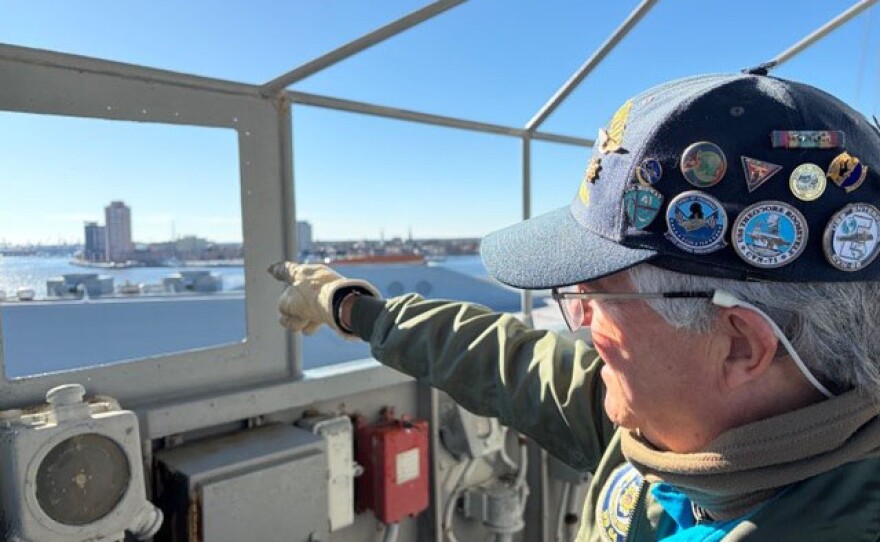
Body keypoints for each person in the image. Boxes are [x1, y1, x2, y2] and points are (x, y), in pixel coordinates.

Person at [271, 71, 880, 541]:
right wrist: (351, 307)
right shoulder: (674, 424)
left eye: (595, 294)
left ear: (740, 344)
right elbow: (505, 362)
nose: (582, 322)